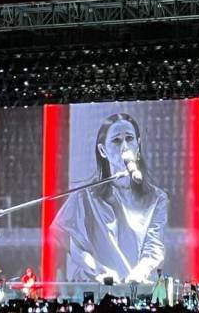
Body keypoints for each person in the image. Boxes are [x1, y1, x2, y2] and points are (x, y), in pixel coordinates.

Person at [50, 112, 168, 284]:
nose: (125, 147)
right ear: (102, 150)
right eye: (116, 141)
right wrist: (97, 269)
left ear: (138, 145)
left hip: (136, 287)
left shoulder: (156, 198)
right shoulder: (85, 195)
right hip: (92, 286)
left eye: (130, 139)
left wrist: (139, 273)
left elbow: (154, 245)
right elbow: (65, 237)